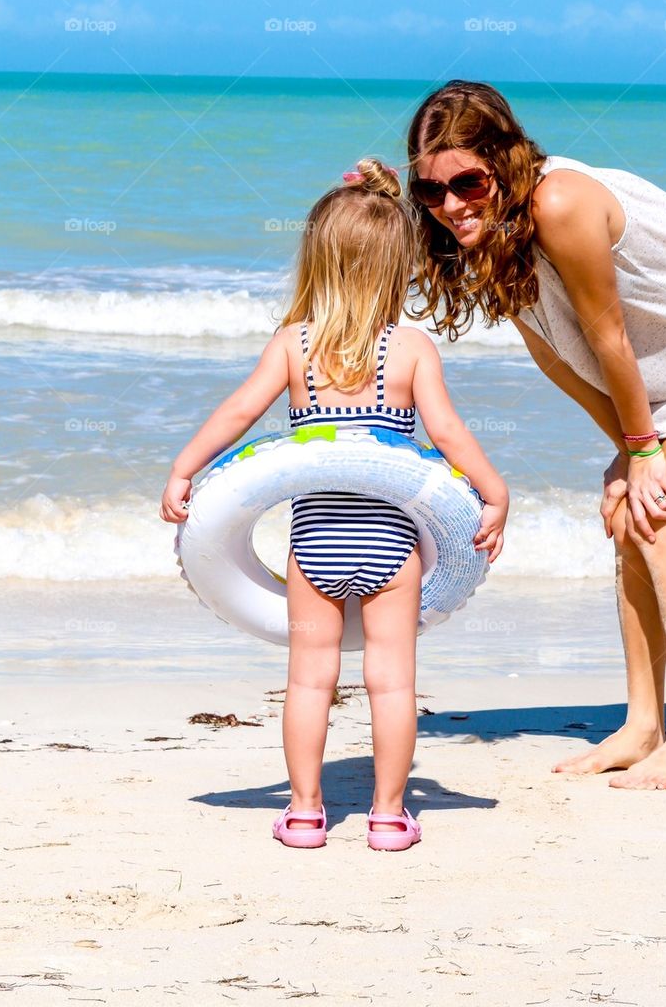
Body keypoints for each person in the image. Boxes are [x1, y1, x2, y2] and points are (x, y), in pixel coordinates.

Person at [406, 81, 666, 791]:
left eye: (466, 182)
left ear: (502, 162)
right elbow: (558, 355)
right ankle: (640, 727)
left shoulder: (557, 203)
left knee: (660, 518)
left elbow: (608, 335)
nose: (450, 206)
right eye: (428, 193)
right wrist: (630, 453)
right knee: (631, 514)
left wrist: (645, 454)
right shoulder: (491, 237)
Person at [160, 158, 509, 846]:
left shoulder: (293, 346)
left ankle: (303, 810)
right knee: (391, 685)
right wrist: (494, 492)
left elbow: (237, 414)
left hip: (316, 546)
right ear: (399, 267)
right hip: (392, 548)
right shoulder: (409, 349)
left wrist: (183, 469)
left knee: (309, 684)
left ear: (316, 261)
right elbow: (446, 434)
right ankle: (385, 815)